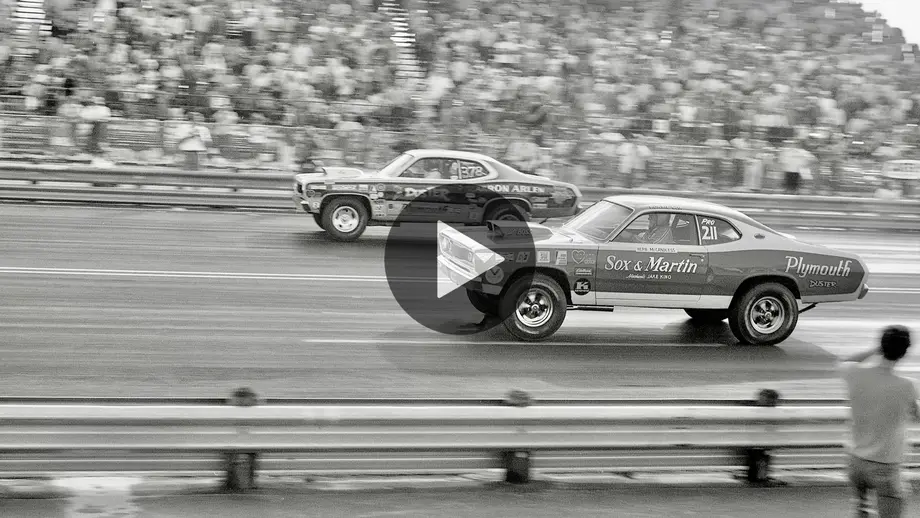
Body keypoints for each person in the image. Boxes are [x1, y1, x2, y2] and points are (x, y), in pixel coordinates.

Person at [839, 325, 919, 518]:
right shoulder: (906, 386)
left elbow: (847, 360)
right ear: (904, 352)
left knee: (861, 511)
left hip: (856, 460)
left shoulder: (854, 373)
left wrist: (877, 349)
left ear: (882, 346)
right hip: (885, 464)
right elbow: (916, 414)